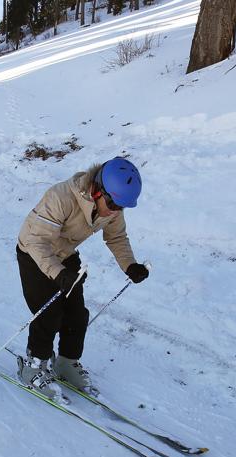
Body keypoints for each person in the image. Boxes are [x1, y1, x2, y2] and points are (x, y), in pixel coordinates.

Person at [15, 157, 150, 399]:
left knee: (77, 314)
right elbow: (37, 242)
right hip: (34, 252)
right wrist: (58, 273)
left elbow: (116, 238)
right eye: (113, 204)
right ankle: (33, 365)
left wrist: (130, 266)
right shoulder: (60, 197)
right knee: (49, 313)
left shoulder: (112, 206)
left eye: (121, 207)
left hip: (65, 254)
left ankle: (66, 362)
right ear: (98, 189)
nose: (116, 211)